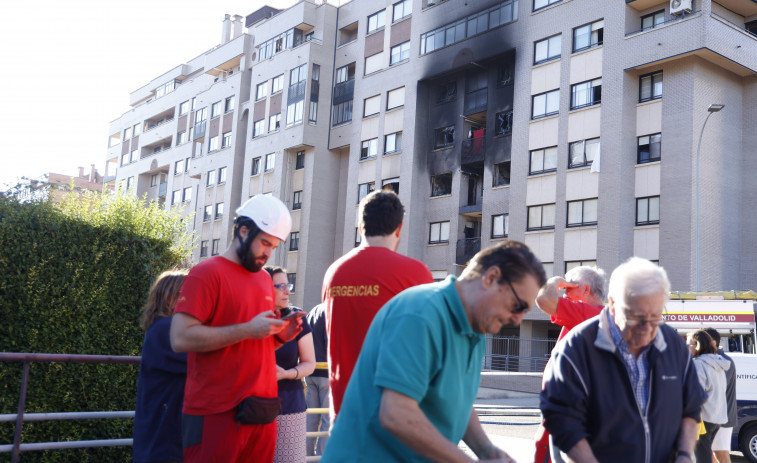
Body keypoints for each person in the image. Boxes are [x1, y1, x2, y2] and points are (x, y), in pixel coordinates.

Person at [322, 240, 547, 462]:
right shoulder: (420, 313)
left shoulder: (477, 327)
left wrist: (486, 450)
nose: (517, 320)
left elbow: (457, 404)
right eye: (518, 306)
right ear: (490, 278)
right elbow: (396, 414)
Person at [169, 195, 302, 463]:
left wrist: (279, 338)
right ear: (243, 231)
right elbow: (180, 338)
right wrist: (247, 330)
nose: (268, 252)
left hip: (261, 412)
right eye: (265, 243)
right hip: (215, 413)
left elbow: (255, 336)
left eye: (274, 246)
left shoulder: (265, 280)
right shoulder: (206, 273)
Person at [541, 257, 705, 463]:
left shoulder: (673, 345)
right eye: (635, 315)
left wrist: (683, 455)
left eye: (655, 315)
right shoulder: (574, 347)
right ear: (612, 303)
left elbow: (690, 409)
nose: (647, 326)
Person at [322, 190, 433, 420]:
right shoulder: (415, 273)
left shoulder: (334, 273)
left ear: (360, 227)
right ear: (399, 229)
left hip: (343, 415)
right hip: (393, 418)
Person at [533, 266, 606, 463]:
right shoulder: (594, 314)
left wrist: (556, 280)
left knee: (549, 450)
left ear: (586, 290)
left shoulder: (590, 313)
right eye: (564, 287)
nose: (564, 292)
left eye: (569, 287)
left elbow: (543, 299)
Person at [133, 270, 188, 463]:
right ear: (171, 297)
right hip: (165, 438)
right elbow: (205, 362)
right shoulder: (169, 329)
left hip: (157, 436)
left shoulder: (159, 328)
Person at [264, 266, 316, 463]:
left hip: (289, 405)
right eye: (281, 286)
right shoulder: (250, 320)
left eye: (289, 285)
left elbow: (310, 363)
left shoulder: (297, 319)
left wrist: (287, 373)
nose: (288, 291)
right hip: (251, 405)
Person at [687, 329, 729, 463]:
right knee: (705, 455)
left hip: (703, 418)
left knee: (701, 458)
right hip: (717, 417)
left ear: (697, 345)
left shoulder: (698, 364)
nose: (687, 348)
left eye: (689, 344)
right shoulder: (718, 362)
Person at [704, 327, 737, 463]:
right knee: (710, 455)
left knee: (721, 455)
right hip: (712, 418)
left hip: (722, 419)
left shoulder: (723, 361)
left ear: (712, 342)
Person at [305, 303, 329, 457]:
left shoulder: (313, 310)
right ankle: (322, 457)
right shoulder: (329, 310)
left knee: (311, 418)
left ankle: (306, 456)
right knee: (327, 419)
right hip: (326, 373)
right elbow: (330, 343)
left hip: (310, 371)